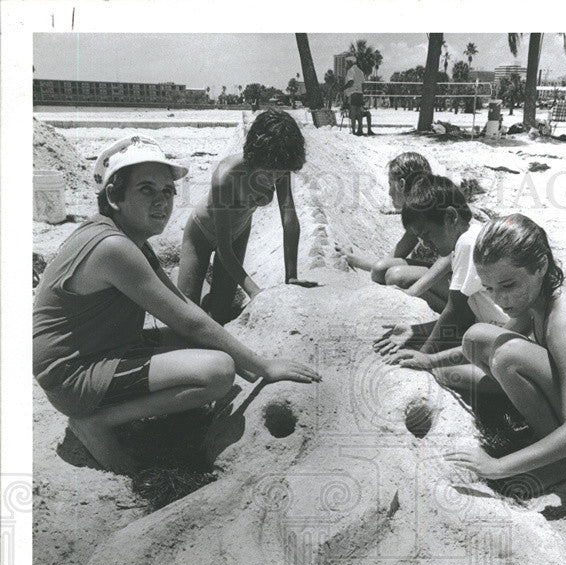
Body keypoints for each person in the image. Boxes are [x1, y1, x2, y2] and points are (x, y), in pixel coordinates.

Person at [33, 135, 320, 476]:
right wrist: (262, 366)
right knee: (217, 372)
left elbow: (182, 302)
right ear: (114, 196)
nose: (162, 201)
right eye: (146, 190)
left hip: (95, 351)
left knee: (211, 350)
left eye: (168, 191)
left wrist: (244, 357)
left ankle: (118, 414)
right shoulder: (114, 247)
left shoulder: (124, 236)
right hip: (72, 376)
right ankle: (95, 421)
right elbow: (188, 320)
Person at [440, 214, 566, 485]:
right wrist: (429, 360)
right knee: (474, 339)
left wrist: (497, 466)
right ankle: (543, 434)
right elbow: (491, 339)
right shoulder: (539, 293)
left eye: (508, 285)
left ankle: (564, 462)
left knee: (506, 358)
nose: (500, 299)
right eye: (489, 288)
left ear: (540, 266)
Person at [178, 109, 317, 325]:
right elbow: (223, 248)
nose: (274, 180)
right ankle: (194, 273)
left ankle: (210, 285)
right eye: (269, 174)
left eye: (279, 174)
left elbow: (289, 221)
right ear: (255, 158)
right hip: (202, 233)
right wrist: (254, 292)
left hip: (239, 231)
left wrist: (292, 276)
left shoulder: (278, 167)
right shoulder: (227, 177)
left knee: (219, 314)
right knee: (186, 314)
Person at [377, 174, 508, 391]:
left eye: (428, 234)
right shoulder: (471, 236)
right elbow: (464, 314)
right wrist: (417, 330)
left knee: (443, 372)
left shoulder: (467, 242)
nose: (426, 244)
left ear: (450, 217)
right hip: (497, 334)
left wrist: (425, 355)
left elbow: (456, 310)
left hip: (505, 343)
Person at [345, 153, 451, 313]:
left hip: (463, 283)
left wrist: (413, 291)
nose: (388, 192)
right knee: (383, 271)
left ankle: (453, 313)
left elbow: (450, 256)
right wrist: (355, 260)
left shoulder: (432, 208)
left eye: (390, 184)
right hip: (449, 278)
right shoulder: (418, 209)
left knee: (396, 277)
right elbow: (388, 261)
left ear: (401, 184)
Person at [342, 54, 372, 136]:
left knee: (353, 113)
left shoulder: (350, 70)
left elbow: (351, 82)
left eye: (347, 63)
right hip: (360, 94)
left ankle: (354, 131)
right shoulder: (360, 71)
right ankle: (360, 130)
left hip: (353, 94)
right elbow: (363, 84)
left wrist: (343, 88)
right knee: (359, 113)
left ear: (350, 63)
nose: (346, 65)